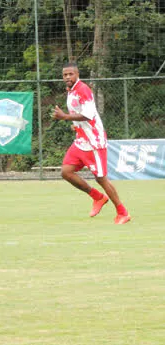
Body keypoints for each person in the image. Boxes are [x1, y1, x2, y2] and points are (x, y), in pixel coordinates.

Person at [53, 62, 131, 224]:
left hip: (94, 142)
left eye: (70, 74)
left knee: (101, 179)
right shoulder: (71, 91)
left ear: (77, 74)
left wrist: (65, 117)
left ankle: (123, 213)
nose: (67, 77)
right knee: (66, 172)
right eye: (65, 74)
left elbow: (88, 115)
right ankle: (98, 197)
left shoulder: (83, 90)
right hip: (81, 140)